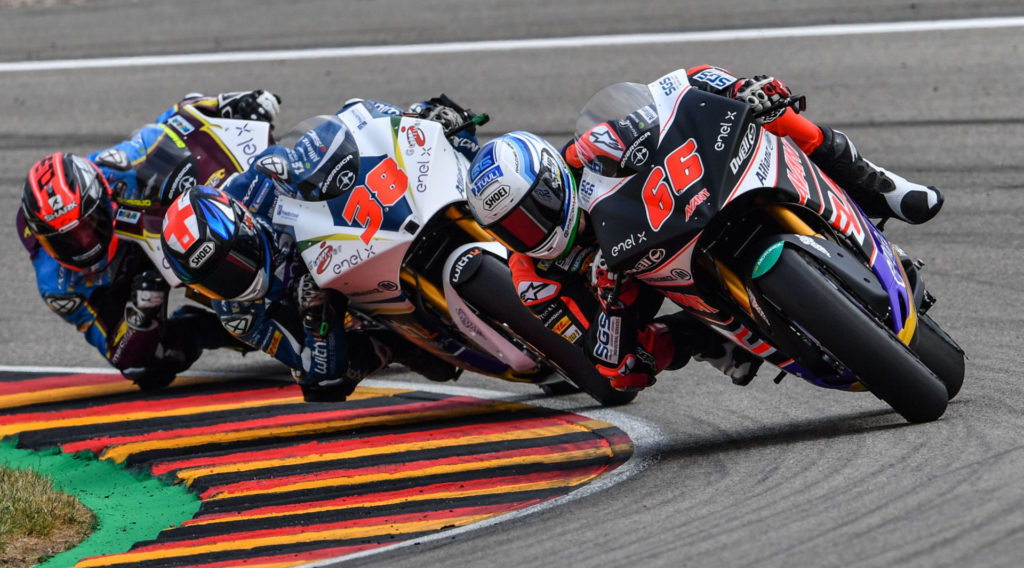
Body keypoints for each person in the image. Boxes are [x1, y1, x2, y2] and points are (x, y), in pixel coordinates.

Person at [465, 66, 944, 392]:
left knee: (773, 111)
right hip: (633, 285)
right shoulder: (533, 283)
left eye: (536, 208)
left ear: (553, 177)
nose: (533, 228)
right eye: (514, 228)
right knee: (635, 360)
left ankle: (881, 186)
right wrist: (611, 305)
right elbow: (613, 368)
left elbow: (678, 88)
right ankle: (714, 340)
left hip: (673, 216)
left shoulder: (586, 152)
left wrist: (736, 89)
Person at [159, 96, 477, 401]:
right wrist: (317, 321)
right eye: (215, 282)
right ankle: (394, 346)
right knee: (325, 386)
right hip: (345, 304)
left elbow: (341, 127)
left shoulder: (256, 184)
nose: (233, 280)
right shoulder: (239, 315)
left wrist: (411, 120)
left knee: (443, 126)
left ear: (244, 225)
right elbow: (311, 365)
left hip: (358, 228)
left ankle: (439, 132)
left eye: (234, 261)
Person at [17, 90, 282, 390]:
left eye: (89, 224)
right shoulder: (58, 285)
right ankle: (210, 330)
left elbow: (171, 124)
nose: (87, 242)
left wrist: (228, 105)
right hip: (130, 283)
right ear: (46, 242)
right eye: (69, 240)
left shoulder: (110, 168)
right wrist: (142, 313)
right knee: (146, 369)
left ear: (100, 197)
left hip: (152, 230)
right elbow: (117, 350)